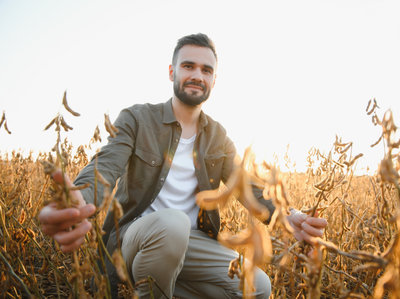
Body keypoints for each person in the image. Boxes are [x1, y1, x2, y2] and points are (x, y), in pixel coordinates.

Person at [38, 33, 328, 299]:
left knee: (258, 287)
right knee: (173, 223)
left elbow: (246, 184)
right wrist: (76, 199)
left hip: (191, 242)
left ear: (214, 80)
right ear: (171, 72)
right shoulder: (138, 119)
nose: (197, 75)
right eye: (188, 66)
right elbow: (105, 165)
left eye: (206, 70)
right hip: (134, 239)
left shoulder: (218, 136)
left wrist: (287, 216)